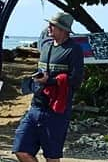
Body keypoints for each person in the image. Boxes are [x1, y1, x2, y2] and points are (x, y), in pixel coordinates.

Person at [12, 12, 84, 162]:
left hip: (56, 112)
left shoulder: (73, 50)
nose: (48, 27)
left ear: (63, 30)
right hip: (35, 107)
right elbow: (42, 70)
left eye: (53, 25)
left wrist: (50, 81)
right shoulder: (46, 46)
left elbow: (76, 81)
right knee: (21, 150)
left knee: (51, 157)